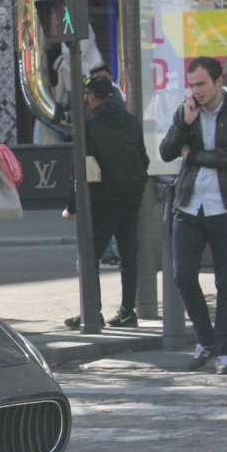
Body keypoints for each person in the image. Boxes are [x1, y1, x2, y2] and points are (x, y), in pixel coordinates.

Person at [159, 56, 227, 375]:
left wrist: (193, 155)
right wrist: (183, 124)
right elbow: (166, 152)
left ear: (218, 81)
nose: (196, 91)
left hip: (226, 206)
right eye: (192, 84)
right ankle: (206, 341)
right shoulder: (188, 110)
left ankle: (224, 351)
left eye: (201, 84)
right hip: (189, 204)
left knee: (226, 280)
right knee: (183, 274)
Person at [61, 75, 150, 329]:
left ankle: (92, 312)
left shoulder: (87, 125)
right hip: (131, 198)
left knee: (88, 259)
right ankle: (127, 312)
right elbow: (142, 159)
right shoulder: (131, 121)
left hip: (102, 200)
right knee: (128, 256)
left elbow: (78, 169)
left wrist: (71, 206)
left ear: (90, 97)